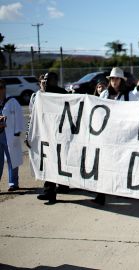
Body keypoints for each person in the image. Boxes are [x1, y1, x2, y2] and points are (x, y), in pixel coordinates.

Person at [93, 67, 138, 205]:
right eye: (112, 79)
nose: (114, 81)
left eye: (116, 78)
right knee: (104, 164)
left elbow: (137, 111)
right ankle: (101, 194)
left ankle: (123, 190)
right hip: (107, 134)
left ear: (121, 80)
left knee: (123, 163)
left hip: (124, 135)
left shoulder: (130, 95)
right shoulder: (105, 94)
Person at [35, 72, 70, 204]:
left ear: (55, 80)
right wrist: (43, 91)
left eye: (48, 79)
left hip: (61, 133)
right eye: (45, 79)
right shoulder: (42, 94)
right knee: (50, 162)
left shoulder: (62, 93)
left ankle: (61, 186)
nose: (46, 81)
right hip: (48, 133)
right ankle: (49, 192)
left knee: (59, 162)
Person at [0, 79, 25, 192]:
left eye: (1, 88)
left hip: (10, 135)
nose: (0, 90)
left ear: (5, 89)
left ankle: (13, 183)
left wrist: (17, 133)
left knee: (12, 160)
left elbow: (19, 117)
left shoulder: (12, 101)